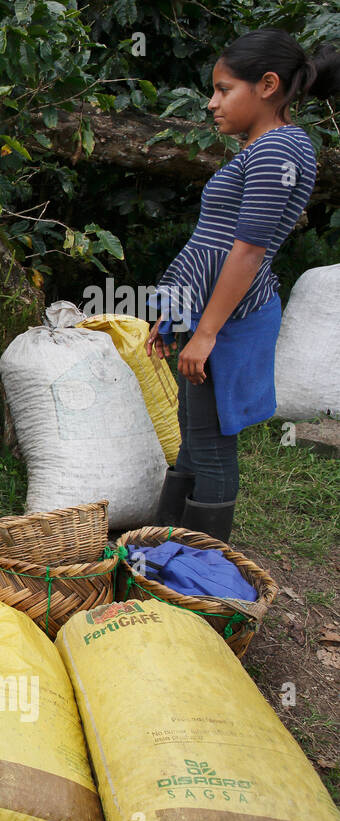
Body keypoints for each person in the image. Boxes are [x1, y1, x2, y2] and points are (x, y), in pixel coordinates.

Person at [146, 31, 340, 541]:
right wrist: (177, 316)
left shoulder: (280, 148)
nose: (211, 103)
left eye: (223, 89)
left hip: (231, 319)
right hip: (212, 314)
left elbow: (249, 250)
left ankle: (205, 561)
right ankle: (169, 541)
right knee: (192, 433)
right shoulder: (262, 148)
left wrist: (207, 333)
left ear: (268, 85)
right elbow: (213, 242)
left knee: (210, 441)